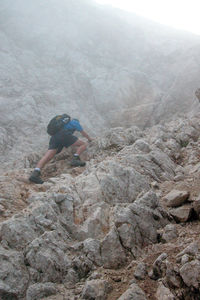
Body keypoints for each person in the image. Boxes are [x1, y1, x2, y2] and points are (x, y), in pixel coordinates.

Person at [29, 117, 93, 184]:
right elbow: (83, 132)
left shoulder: (62, 124)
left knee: (47, 157)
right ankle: (75, 159)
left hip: (54, 137)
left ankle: (35, 173)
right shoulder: (75, 122)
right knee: (83, 144)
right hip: (63, 134)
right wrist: (90, 139)